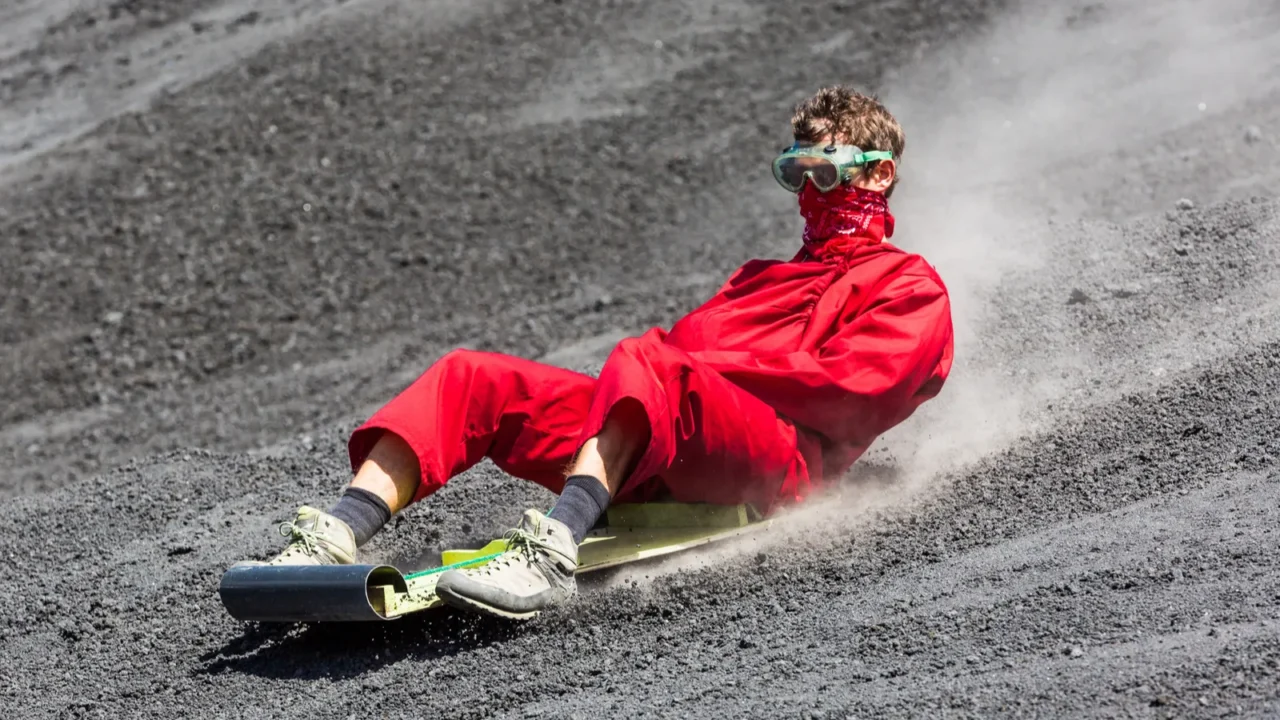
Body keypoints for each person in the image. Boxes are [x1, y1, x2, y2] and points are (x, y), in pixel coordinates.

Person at [241, 86, 955, 620]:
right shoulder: (758, 278)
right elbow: (674, 367)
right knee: (474, 377)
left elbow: (855, 393)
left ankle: (549, 555)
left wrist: (691, 369)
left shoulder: (907, 283)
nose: (809, 191)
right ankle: (336, 534)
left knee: (650, 357)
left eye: (825, 173)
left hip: (783, 464)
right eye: (795, 174)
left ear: (877, 174)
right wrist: (675, 373)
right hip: (679, 430)